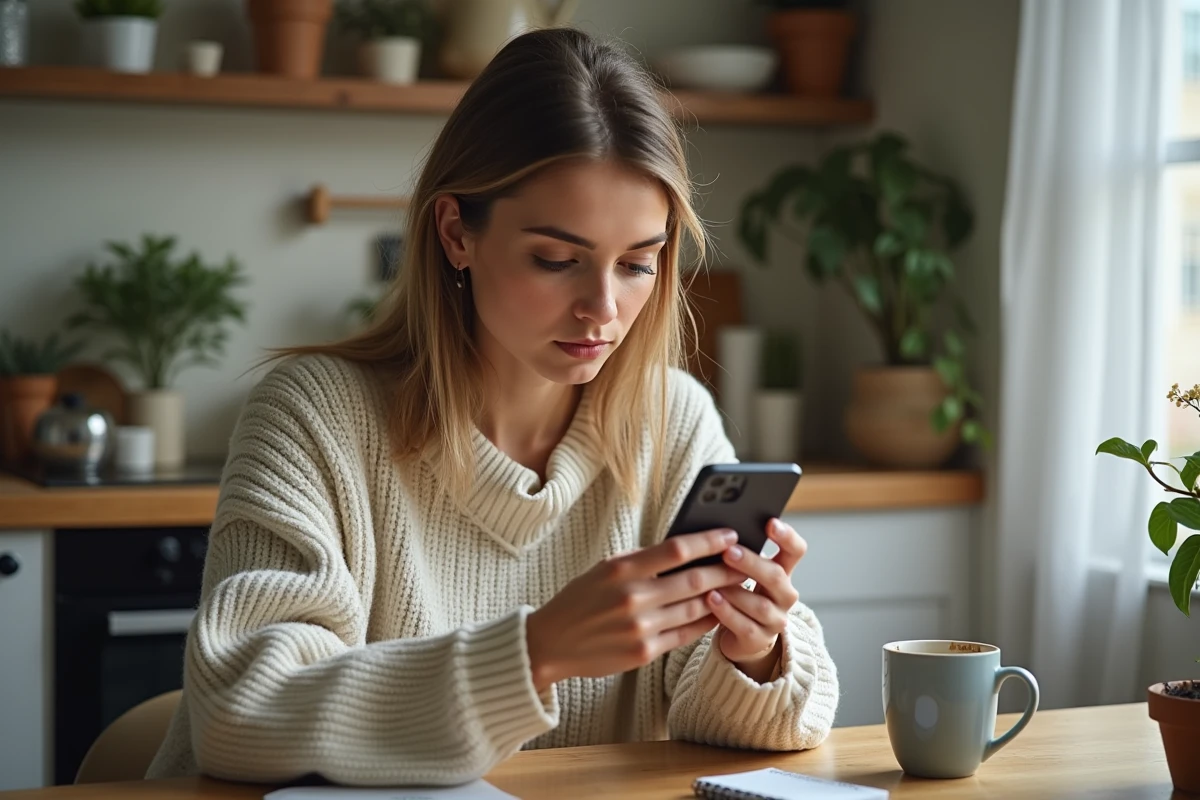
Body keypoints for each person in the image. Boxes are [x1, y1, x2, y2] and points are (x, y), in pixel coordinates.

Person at [146, 27, 839, 786]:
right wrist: (536, 651)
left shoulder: (673, 420)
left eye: (639, 263)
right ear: (455, 234)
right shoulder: (314, 417)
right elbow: (238, 714)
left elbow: (738, 729)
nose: (602, 309)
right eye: (556, 259)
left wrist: (755, 652)